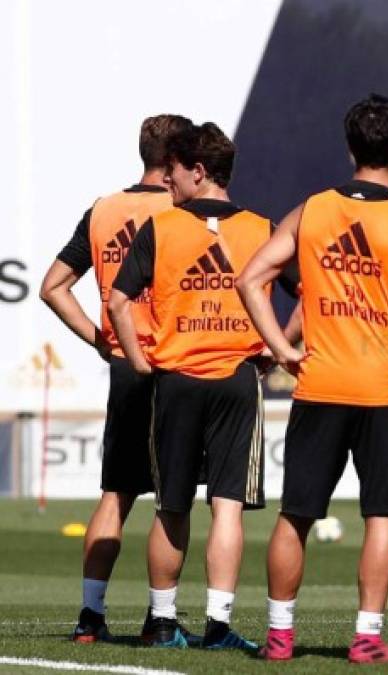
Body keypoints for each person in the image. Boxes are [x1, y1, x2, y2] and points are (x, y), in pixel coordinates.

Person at [236, 94, 388, 665]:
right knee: (382, 514)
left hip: (320, 383)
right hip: (384, 391)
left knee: (297, 513)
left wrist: (283, 349)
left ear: (350, 146)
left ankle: (279, 637)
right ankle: (367, 638)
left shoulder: (312, 210)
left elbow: (251, 277)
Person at [109, 121, 284, 651]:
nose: (170, 183)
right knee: (227, 505)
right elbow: (302, 294)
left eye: (176, 173)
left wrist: (139, 359)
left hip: (177, 379)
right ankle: (219, 625)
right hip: (236, 377)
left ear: (199, 171)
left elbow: (118, 302)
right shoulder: (261, 228)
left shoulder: (162, 228)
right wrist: (275, 349)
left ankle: (163, 622)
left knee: (172, 504)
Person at [39, 114, 195, 643]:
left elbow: (53, 286)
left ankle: (90, 617)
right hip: (173, 362)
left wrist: (101, 338)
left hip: (125, 366)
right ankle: (161, 619)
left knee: (115, 495)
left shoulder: (103, 209)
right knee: (172, 499)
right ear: (176, 159)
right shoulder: (182, 208)